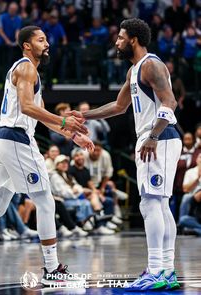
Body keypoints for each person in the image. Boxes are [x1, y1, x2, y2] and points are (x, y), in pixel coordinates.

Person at [0, 25, 94, 285]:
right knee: (46, 201)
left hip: (3, 140)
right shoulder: (26, 68)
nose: (47, 43)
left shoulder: (30, 72)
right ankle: (52, 270)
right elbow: (26, 108)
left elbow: (41, 114)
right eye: (41, 39)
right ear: (26, 45)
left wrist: (71, 134)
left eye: (46, 39)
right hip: (16, 140)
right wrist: (64, 120)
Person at [67, 18, 182, 290]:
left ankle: (156, 270)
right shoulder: (134, 71)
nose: (116, 42)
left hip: (160, 137)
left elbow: (171, 101)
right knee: (159, 204)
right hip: (155, 138)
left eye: (120, 38)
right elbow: (119, 106)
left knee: (151, 203)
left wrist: (153, 135)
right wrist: (82, 114)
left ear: (133, 39)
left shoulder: (152, 65)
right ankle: (166, 270)